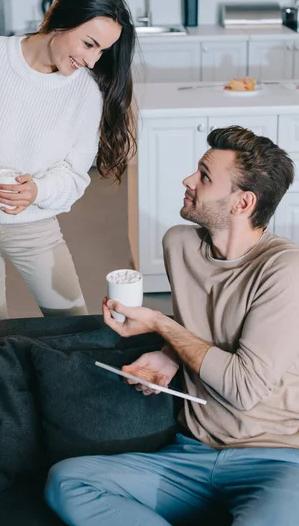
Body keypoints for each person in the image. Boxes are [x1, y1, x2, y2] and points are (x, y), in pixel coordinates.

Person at [45, 126, 299, 526]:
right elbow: (212, 321)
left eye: (204, 175)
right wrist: (169, 357)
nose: (188, 180)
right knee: (68, 482)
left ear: (243, 203)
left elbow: (244, 389)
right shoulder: (179, 244)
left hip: (276, 461)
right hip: (192, 456)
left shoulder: (284, 269)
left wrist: (161, 326)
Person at [0, 0, 136, 322]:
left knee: (74, 332)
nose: (92, 60)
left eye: (101, 51)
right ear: (62, 21)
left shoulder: (86, 94)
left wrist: (38, 190)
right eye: (88, 43)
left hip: (34, 230)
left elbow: (74, 174)